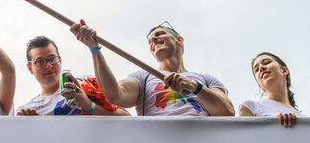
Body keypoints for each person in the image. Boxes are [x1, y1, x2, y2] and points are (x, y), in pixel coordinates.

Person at [71, 20, 234, 116]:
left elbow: (227, 111)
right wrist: (94, 49)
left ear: (179, 39)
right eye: (150, 40)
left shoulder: (206, 79)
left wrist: (195, 87)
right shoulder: (143, 77)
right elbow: (115, 95)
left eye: (159, 34)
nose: (153, 39)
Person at [17, 35, 129, 116]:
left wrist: (88, 105)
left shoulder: (85, 82)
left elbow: (125, 117)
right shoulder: (27, 110)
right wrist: (31, 126)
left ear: (59, 60)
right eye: (40, 62)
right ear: (30, 68)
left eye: (52, 59)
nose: (49, 65)